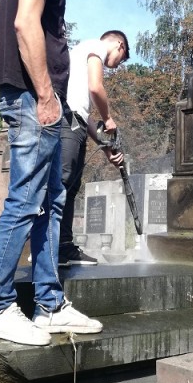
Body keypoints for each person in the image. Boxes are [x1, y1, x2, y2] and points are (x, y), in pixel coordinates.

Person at [0, 0, 105, 347]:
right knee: (28, 199)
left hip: (28, 96)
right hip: (35, 98)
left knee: (50, 201)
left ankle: (49, 305)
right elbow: (22, 22)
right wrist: (46, 94)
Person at [59, 31, 129, 266]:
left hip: (75, 121)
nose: (117, 66)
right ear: (119, 45)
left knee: (70, 185)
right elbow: (96, 87)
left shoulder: (82, 56)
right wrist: (108, 118)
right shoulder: (95, 46)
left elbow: (84, 115)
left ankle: (63, 247)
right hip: (66, 120)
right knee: (62, 181)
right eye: (123, 58)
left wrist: (105, 148)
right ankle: (47, 246)